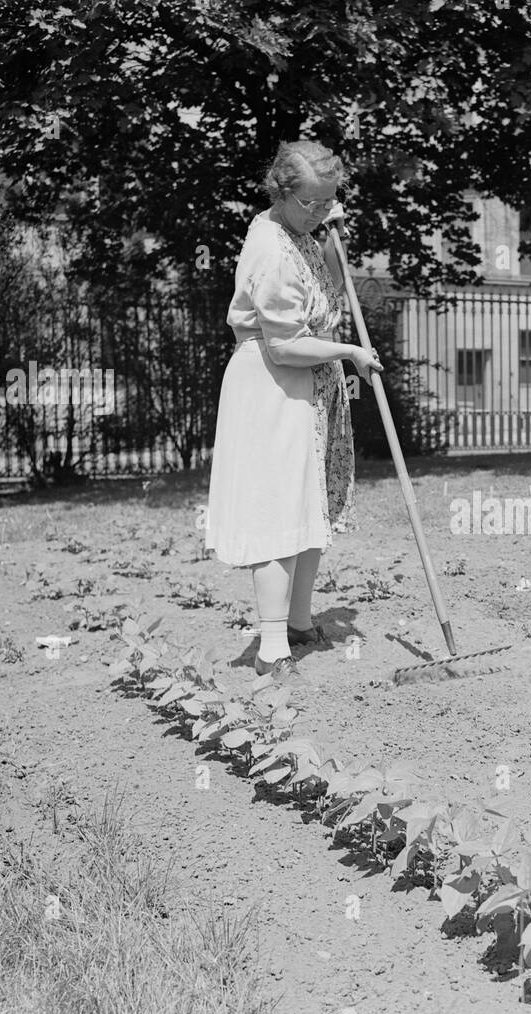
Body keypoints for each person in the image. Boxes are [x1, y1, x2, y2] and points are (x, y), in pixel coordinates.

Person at [205, 140, 383, 681]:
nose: (325, 212)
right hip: (274, 387)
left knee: (310, 506)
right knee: (276, 511)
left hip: (309, 389)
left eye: (332, 201)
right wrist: (349, 352)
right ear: (284, 194)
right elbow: (284, 345)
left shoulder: (298, 231)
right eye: (316, 203)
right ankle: (272, 648)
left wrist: (334, 238)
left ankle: (301, 622)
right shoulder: (271, 250)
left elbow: (325, 289)